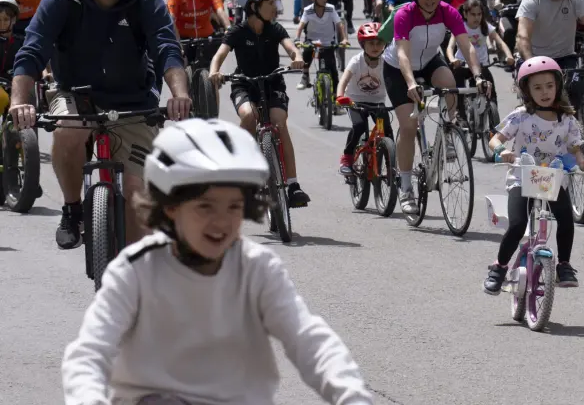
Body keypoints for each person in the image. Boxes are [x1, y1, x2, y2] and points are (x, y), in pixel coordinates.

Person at [61, 118, 373, 405]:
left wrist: (350, 393)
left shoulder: (256, 267)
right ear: (170, 207)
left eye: (234, 207)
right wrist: (90, 398)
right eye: (205, 207)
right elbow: (89, 353)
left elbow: (308, 339)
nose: (221, 222)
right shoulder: (137, 270)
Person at [10, 0, 191, 250]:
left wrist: (179, 94)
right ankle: (72, 210)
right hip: (76, 93)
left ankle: (133, 284)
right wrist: (20, 101)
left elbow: (167, 48)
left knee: (139, 205)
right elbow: (32, 51)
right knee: (69, 129)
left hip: (133, 96)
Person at [382, 0, 488, 215]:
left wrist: (478, 75)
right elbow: (402, 54)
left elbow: (467, 46)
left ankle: (448, 132)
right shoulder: (404, 15)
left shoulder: (448, 12)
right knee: (409, 127)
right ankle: (406, 188)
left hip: (430, 61)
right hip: (399, 68)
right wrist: (410, 83)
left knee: (449, 84)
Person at [483, 57, 584, 293]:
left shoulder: (567, 119)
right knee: (518, 224)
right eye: (537, 87)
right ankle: (498, 268)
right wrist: (501, 151)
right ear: (527, 91)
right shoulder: (521, 116)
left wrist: (582, 161)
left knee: (565, 219)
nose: (545, 92)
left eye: (549, 86)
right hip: (522, 178)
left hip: (550, 180)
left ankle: (563, 264)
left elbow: (575, 146)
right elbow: (495, 138)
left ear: (558, 86)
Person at [209, 0, 311, 207]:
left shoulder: (274, 29)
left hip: (273, 83)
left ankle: (293, 185)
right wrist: (214, 72)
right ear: (253, 6)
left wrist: (297, 58)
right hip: (244, 84)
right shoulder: (237, 31)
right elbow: (219, 56)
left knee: (279, 121)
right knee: (248, 116)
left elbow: (291, 47)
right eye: (270, 1)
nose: (276, 6)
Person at [336, 23, 389, 175]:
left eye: (379, 42)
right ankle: (347, 157)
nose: (375, 46)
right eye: (371, 43)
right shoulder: (356, 61)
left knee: (387, 130)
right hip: (355, 101)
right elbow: (343, 81)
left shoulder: (386, 62)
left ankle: (390, 162)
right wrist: (340, 96)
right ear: (362, 44)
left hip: (377, 102)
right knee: (359, 126)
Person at [447, 0, 513, 118]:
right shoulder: (460, 27)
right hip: (462, 65)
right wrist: (452, 59)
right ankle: (460, 115)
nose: (476, 17)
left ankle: (493, 121)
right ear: (465, 14)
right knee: (458, 91)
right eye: (473, 14)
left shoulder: (485, 27)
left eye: (479, 14)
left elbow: (500, 42)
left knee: (490, 92)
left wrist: (509, 55)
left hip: (481, 66)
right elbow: (450, 47)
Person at [295, 0, 347, 90]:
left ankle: (336, 96)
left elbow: (339, 24)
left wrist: (344, 39)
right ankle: (305, 76)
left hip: (328, 42)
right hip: (312, 41)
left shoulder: (331, 9)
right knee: (307, 54)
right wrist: (297, 39)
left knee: (333, 70)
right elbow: (300, 26)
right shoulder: (308, 10)